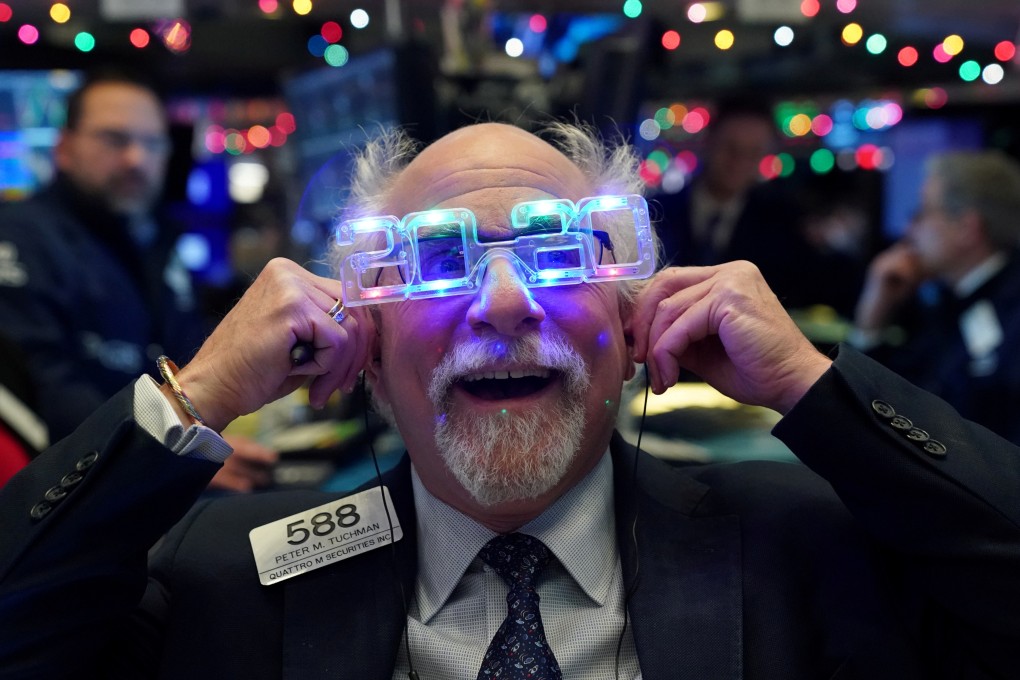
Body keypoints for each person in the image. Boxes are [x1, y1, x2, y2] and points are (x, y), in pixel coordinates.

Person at [0, 122, 1017, 679]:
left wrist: (815, 388)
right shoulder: (219, 577)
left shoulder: (813, 551)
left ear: (630, 322)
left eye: (557, 252)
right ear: (364, 336)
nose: (501, 303)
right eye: (439, 260)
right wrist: (201, 390)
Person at [0, 69, 276, 492]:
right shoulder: (19, 238)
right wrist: (174, 455)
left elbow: (190, 362)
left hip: (160, 473)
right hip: (74, 494)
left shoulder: (157, 239)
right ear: (65, 148)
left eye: (152, 143)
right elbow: (50, 397)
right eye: (114, 139)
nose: (136, 159)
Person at [852, 149, 1020, 444]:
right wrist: (872, 321)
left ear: (967, 229)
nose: (910, 230)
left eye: (923, 213)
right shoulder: (950, 299)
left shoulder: (1009, 312)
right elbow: (896, 396)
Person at [654, 98, 820, 309]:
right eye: (730, 147)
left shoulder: (783, 223)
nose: (739, 161)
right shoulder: (656, 211)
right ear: (709, 141)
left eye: (753, 152)